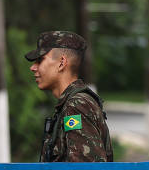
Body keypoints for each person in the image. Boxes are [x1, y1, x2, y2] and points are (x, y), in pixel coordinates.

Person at [26, 31, 113, 162]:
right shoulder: (70, 104)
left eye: (40, 60)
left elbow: (86, 167)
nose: (33, 67)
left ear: (61, 63)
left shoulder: (77, 105)